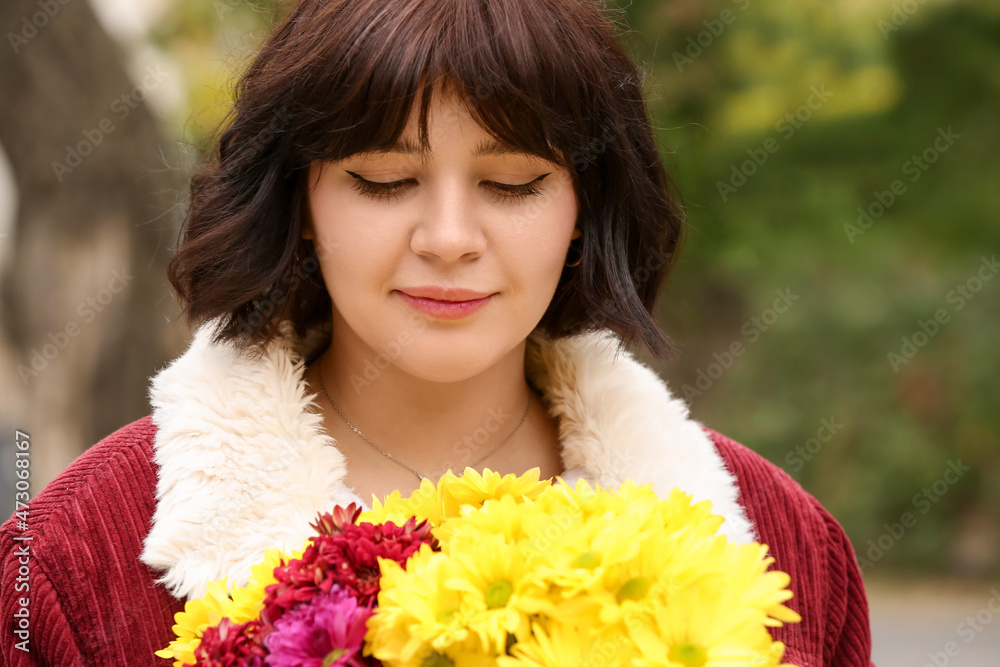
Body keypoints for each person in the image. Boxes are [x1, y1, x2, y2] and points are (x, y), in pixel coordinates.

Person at [0, 0, 874, 664]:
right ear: (302, 200)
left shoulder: (783, 551)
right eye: (384, 179)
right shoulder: (70, 568)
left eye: (514, 182)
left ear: (583, 207)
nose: (449, 238)